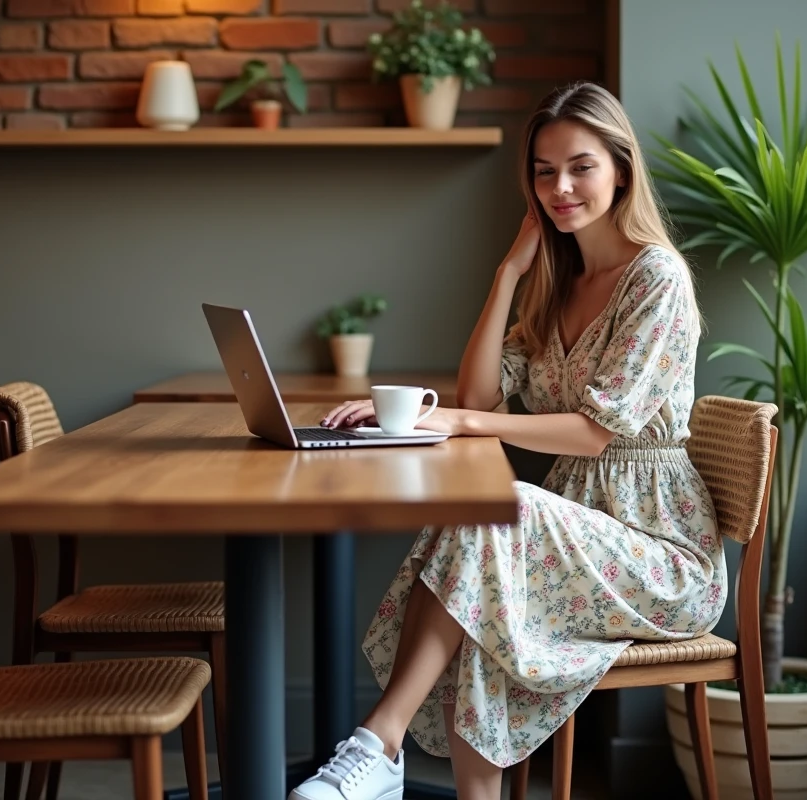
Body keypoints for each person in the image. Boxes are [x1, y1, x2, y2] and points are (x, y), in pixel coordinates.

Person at [289, 81, 724, 800]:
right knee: (492, 562)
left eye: (581, 166)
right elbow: (480, 394)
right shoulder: (559, 279)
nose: (560, 187)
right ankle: (394, 757)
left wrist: (462, 424)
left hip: (660, 555)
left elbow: (588, 433)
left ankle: (379, 744)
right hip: (577, 535)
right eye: (544, 171)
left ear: (620, 166)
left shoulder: (657, 278)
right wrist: (508, 273)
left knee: (497, 516)